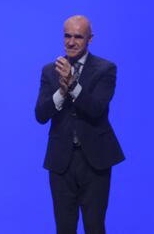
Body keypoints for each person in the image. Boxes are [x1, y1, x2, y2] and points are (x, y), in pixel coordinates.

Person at [35, 15, 125, 234]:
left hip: (95, 161)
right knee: (64, 228)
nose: (71, 42)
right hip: (61, 162)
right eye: (67, 36)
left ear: (90, 39)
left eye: (78, 36)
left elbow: (96, 109)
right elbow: (40, 115)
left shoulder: (105, 69)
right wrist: (62, 91)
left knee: (94, 226)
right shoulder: (50, 71)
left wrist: (73, 84)